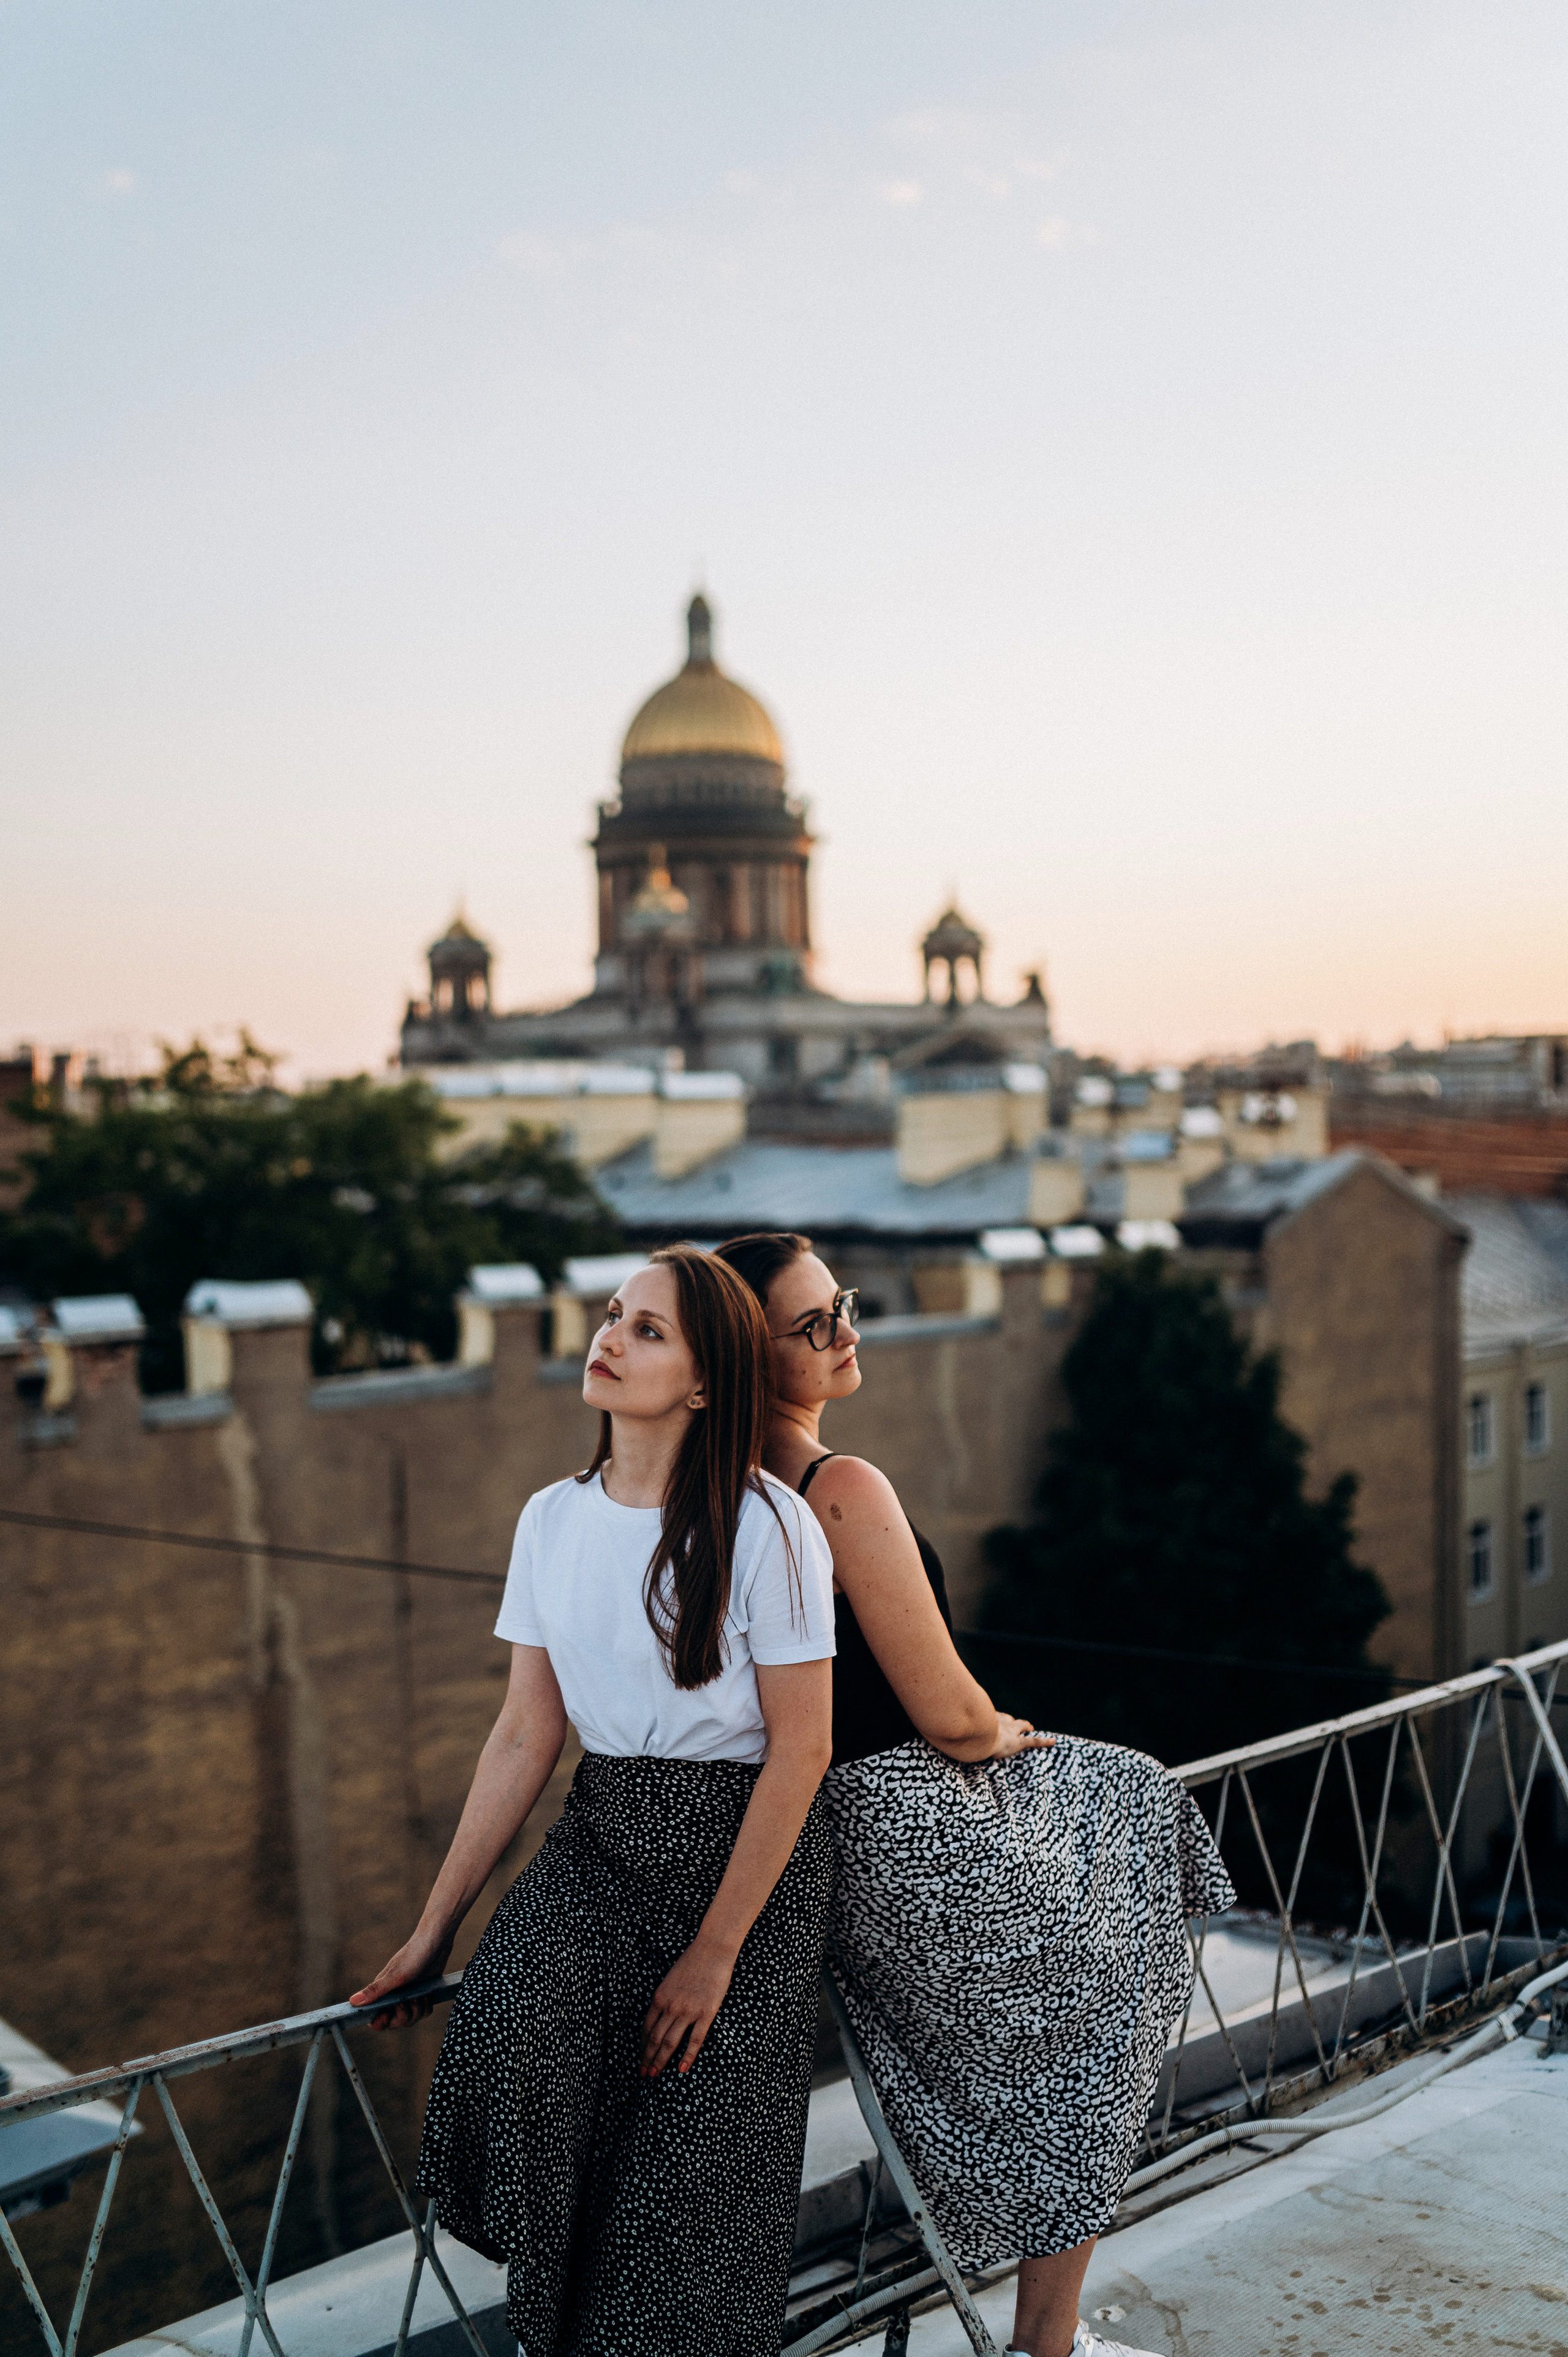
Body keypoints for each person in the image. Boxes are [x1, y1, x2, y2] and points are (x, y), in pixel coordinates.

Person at [715, 1233, 1235, 2357]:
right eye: (814, 1325)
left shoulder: (706, 1503)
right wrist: (1002, 1730)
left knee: (1044, 2015)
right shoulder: (835, 1487)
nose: (847, 1330)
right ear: (750, 1364)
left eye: (842, 1303)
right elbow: (948, 1712)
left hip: (816, 1851)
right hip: (907, 1819)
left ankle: (1031, 2296)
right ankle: (1048, 2338)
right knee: (1114, 1955)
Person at [351, 1243, 837, 2357]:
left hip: (744, 1857)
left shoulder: (770, 1526)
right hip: (609, 1830)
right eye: (613, 1316)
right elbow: (527, 1731)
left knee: (687, 2199)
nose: (608, 1338)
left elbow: (801, 1753)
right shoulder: (550, 1520)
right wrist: (437, 1929)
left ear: (707, 1381)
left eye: (647, 1329)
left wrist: (717, 1952)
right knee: (510, 2023)